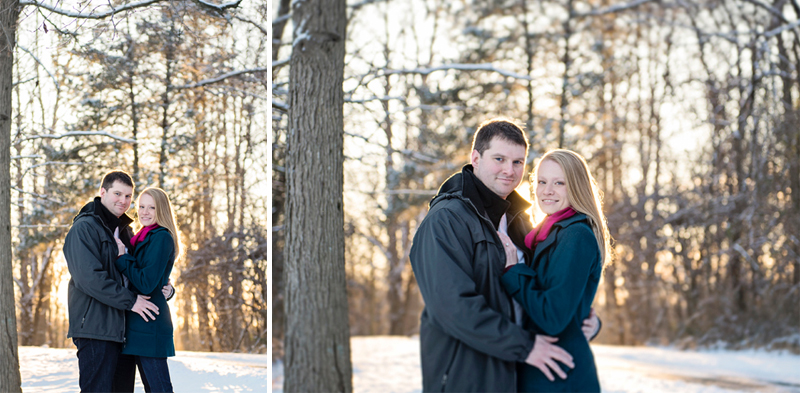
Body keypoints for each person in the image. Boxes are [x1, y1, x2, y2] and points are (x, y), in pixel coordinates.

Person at [409, 119, 599, 392]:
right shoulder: (446, 221)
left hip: (516, 376)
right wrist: (525, 346)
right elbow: (454, 307)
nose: (509, 170)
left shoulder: (519, 220)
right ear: (476, 158)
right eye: (499, 159)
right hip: (469, 377)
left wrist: (583, 318)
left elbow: (545, 287)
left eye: (518, 162)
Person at [497, 149, 612, 392]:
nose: (547, 190)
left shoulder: (576, 235)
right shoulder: (546, 232)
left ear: (576, 187)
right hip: (543, 370)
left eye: (559, 183)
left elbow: (553, 317)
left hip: (559, 376)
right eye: (542, 182)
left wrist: (513, 270)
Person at [64, 171, 171, 392]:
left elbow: (139, 273)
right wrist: (132, 301)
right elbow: (90, 278)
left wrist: (166, 289)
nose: (123, 201)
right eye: (117, 193)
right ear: (102, 192)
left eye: (128, 196)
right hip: (96, 328)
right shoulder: (84, 228)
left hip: (122, 331)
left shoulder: (126, 231)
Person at [111, 187, 181, 393]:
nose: (145, 212)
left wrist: (122, 257)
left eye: (152, 207)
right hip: (136, 325)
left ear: (162, 210)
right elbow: (155, 276)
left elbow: (146, 283)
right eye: (141, 206)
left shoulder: (161, 237)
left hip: (150, 325)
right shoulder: (141, 236)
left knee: (159, 389)